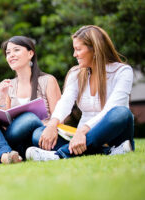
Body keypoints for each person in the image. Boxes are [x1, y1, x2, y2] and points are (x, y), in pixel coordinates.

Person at [26, 25, 135, 161]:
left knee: (121, 113)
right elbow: (65, 102)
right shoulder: (76, 73)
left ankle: (60, 155)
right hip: (80, 137)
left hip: (112, 135)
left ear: (95, 50)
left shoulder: (123, 72)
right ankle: (107, 152)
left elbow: (111, 108)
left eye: (78, 49)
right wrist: (53, 124)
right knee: (39, 134)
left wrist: (83, 131)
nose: (74, 54)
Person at [0, 36, 61, 164]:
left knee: (29, 118)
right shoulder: (9, 85)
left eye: (16, 50)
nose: (11, 55)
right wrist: (2, 95)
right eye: (8, 53)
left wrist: (49, 126)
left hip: (40, 135)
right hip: (17, 141)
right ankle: (5, 155)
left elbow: (60, 116)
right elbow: (5, 123)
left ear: (30, 53)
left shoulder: (48, 80)